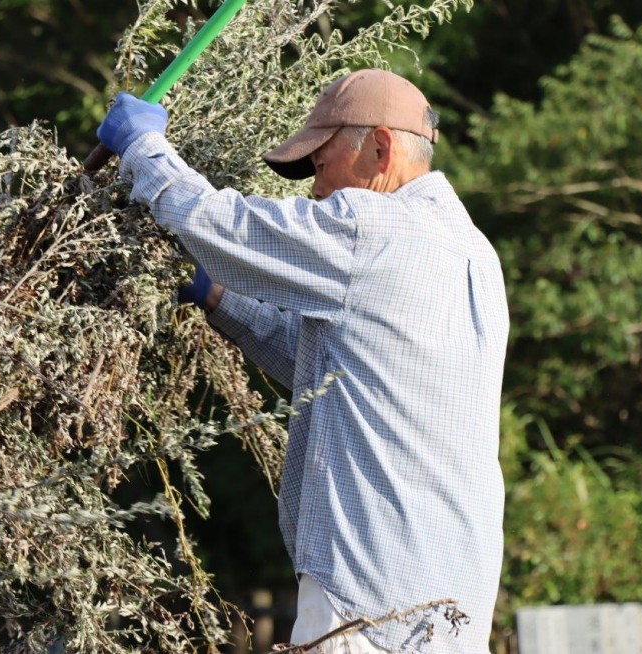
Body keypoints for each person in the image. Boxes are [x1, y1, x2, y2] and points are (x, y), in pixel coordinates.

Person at [96, 69, 509, 654]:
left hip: (367, 605)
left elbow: (223, 226)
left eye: (321, 168)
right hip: (451, 609)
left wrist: (143, 148)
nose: (316, 194)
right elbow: (336, 373)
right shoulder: (475, 255)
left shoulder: (375, 230)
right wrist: (220, 298)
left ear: (382, 147)